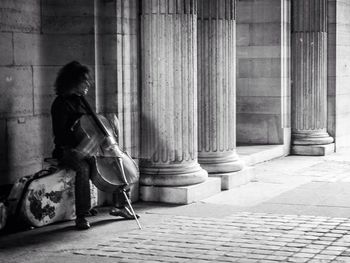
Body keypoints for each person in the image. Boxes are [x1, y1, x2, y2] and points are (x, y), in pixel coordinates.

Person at [51, 61, 138, 230]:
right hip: (67, 150)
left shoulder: (81, 101)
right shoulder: (60, 104)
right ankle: (81, 216)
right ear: (72, 82)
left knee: (117, 161)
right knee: (83, 168)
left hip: (89, 148)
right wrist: (80, 148)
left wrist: (110, 126)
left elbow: (91, 125)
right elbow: (60, 135)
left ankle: (120, 206)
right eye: (84, 81)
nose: (88, 84)